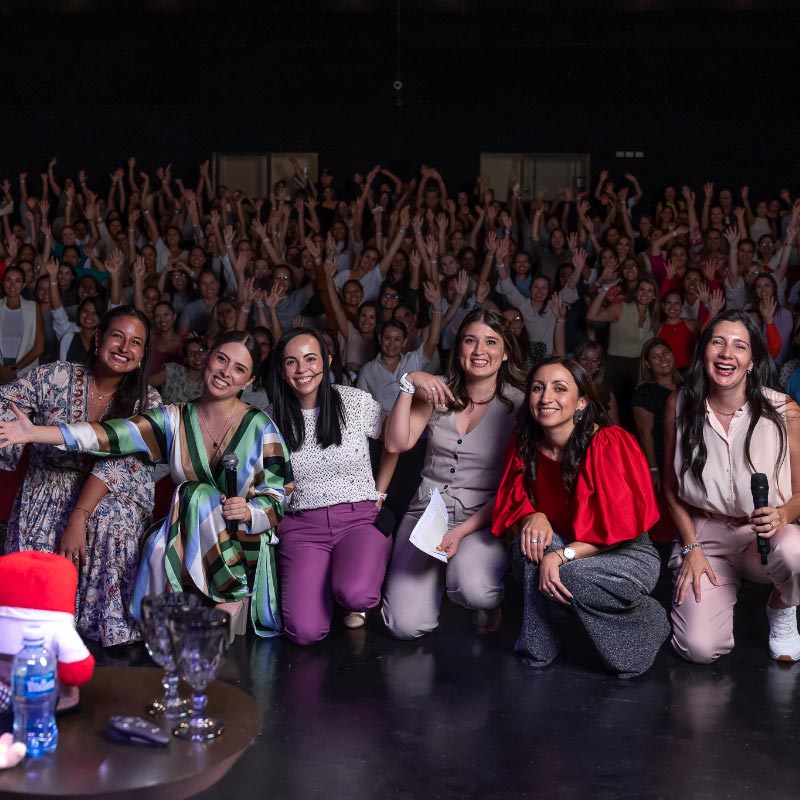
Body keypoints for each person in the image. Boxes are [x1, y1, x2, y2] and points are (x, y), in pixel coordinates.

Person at [0, 331, 293, 638]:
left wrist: (248, 510)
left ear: (248, 381)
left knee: (194, 492)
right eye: (221, 359)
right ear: (208, 358)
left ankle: (232, 595)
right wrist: (36, 433)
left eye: (238, 369)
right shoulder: (174, 418)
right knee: (156, 539)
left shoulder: (260, 425)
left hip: (241, 542)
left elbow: (279, 494)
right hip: (192, 535)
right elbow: (110, 435)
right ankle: (170, 619)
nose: (225, 372)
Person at [491, 357, 670, 678]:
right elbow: (511, 501)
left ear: (582, 401)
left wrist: (561, 556)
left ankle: (645, 621)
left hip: (625, 553)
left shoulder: (608, 443)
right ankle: (538, 647)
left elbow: (618, 528)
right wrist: (533, 515)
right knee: (530, 546)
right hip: (562, 547)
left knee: (568, 573)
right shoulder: (525, 443)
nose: (546, 398)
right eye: (537, 388)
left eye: (560, 389)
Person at [0, 306, 160, 647]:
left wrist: (78, 515)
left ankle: (107, 629)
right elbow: (6, 401)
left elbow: (120, 465)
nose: (124, 348)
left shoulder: (148, 401)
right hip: (46, 486)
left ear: (143, 354)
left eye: (135, 343)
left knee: (110, 518)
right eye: (117, 336)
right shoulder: (54, 376)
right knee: (32, 611)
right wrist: (12, 435)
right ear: (99, 337)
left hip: (107, 495)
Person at [664, 310, 800, 664]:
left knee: (796, 552)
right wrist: (691, 545)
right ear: (704, 351)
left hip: (766, 536)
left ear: (752, 361)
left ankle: (783, 604)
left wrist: (783, 513)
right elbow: (669, 486)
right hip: (706, 537)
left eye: (740, 346)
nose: (727, 353)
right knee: (698, 648)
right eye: (718, 342)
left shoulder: (784, 410)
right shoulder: (679, 404)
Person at [381, 309, 526, 638]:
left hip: (483, 517)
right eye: (470, 341)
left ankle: (483, 600)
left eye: (490, 342)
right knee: (404, 626)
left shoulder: (520, 407)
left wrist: (461, 534)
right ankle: (437, 581)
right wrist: (409, 383)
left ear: (505, 353)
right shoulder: (436, 393)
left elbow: (517, 486)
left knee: (474, 589)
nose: (479, 351)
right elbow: (395, 442)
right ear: (458, 349)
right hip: (427, 513)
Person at [269, 328, 396, 644]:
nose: (303, 370)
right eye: (292, 362)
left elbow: (394, 441)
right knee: (305, 632)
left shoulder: (353, 401)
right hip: (302, 527)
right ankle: (323, 580)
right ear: (282, 371)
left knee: (357, 595)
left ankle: (347, 583)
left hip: (358, 520)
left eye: (311, 359)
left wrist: (380, 492)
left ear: (326, 361)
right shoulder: (270, 418)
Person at [0, 264, 44, 384]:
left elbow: (39, 346)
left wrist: (16, 367)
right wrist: (2, 369)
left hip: (25, 370)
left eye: (17, 281)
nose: (12, 285)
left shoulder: (33, 307)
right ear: (3, 283)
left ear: (24, 284)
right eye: (8, 280)